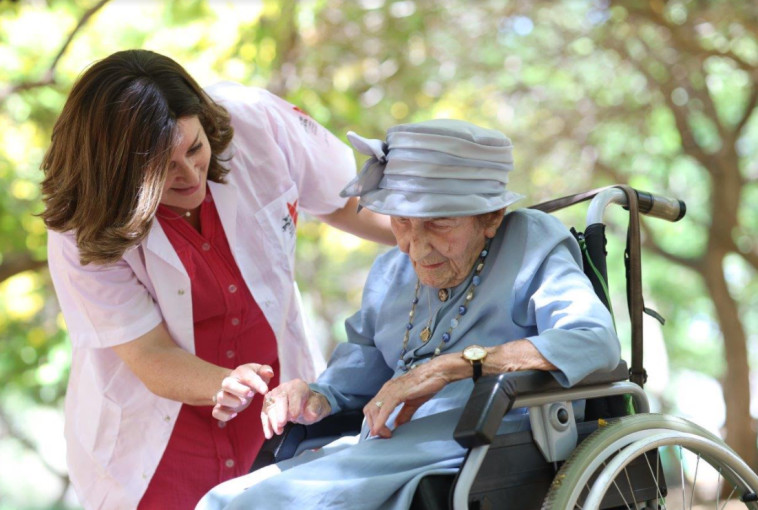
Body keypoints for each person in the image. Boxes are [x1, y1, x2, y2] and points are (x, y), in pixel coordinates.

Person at [197, 119, 621, 509]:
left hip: (480, 443)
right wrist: (311, 396)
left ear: (490, 216)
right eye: (402, 222)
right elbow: (349, 381)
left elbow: (593, 339)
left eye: (439, 223)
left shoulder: (530, 240)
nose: (414, 249)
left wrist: (453, 366)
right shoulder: (390, 271)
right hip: (382, 446)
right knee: (222, 498)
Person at [40, 49, 395, 510]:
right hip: (156, 450)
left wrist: (437, 235)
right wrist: (222, 383)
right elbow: (149, 353)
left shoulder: (257, 124)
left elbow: (350, 203)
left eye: (194, 148)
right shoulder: (81, 223)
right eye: (162, 168)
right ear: (119, 172)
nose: (191, 175)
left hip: (275, 419)